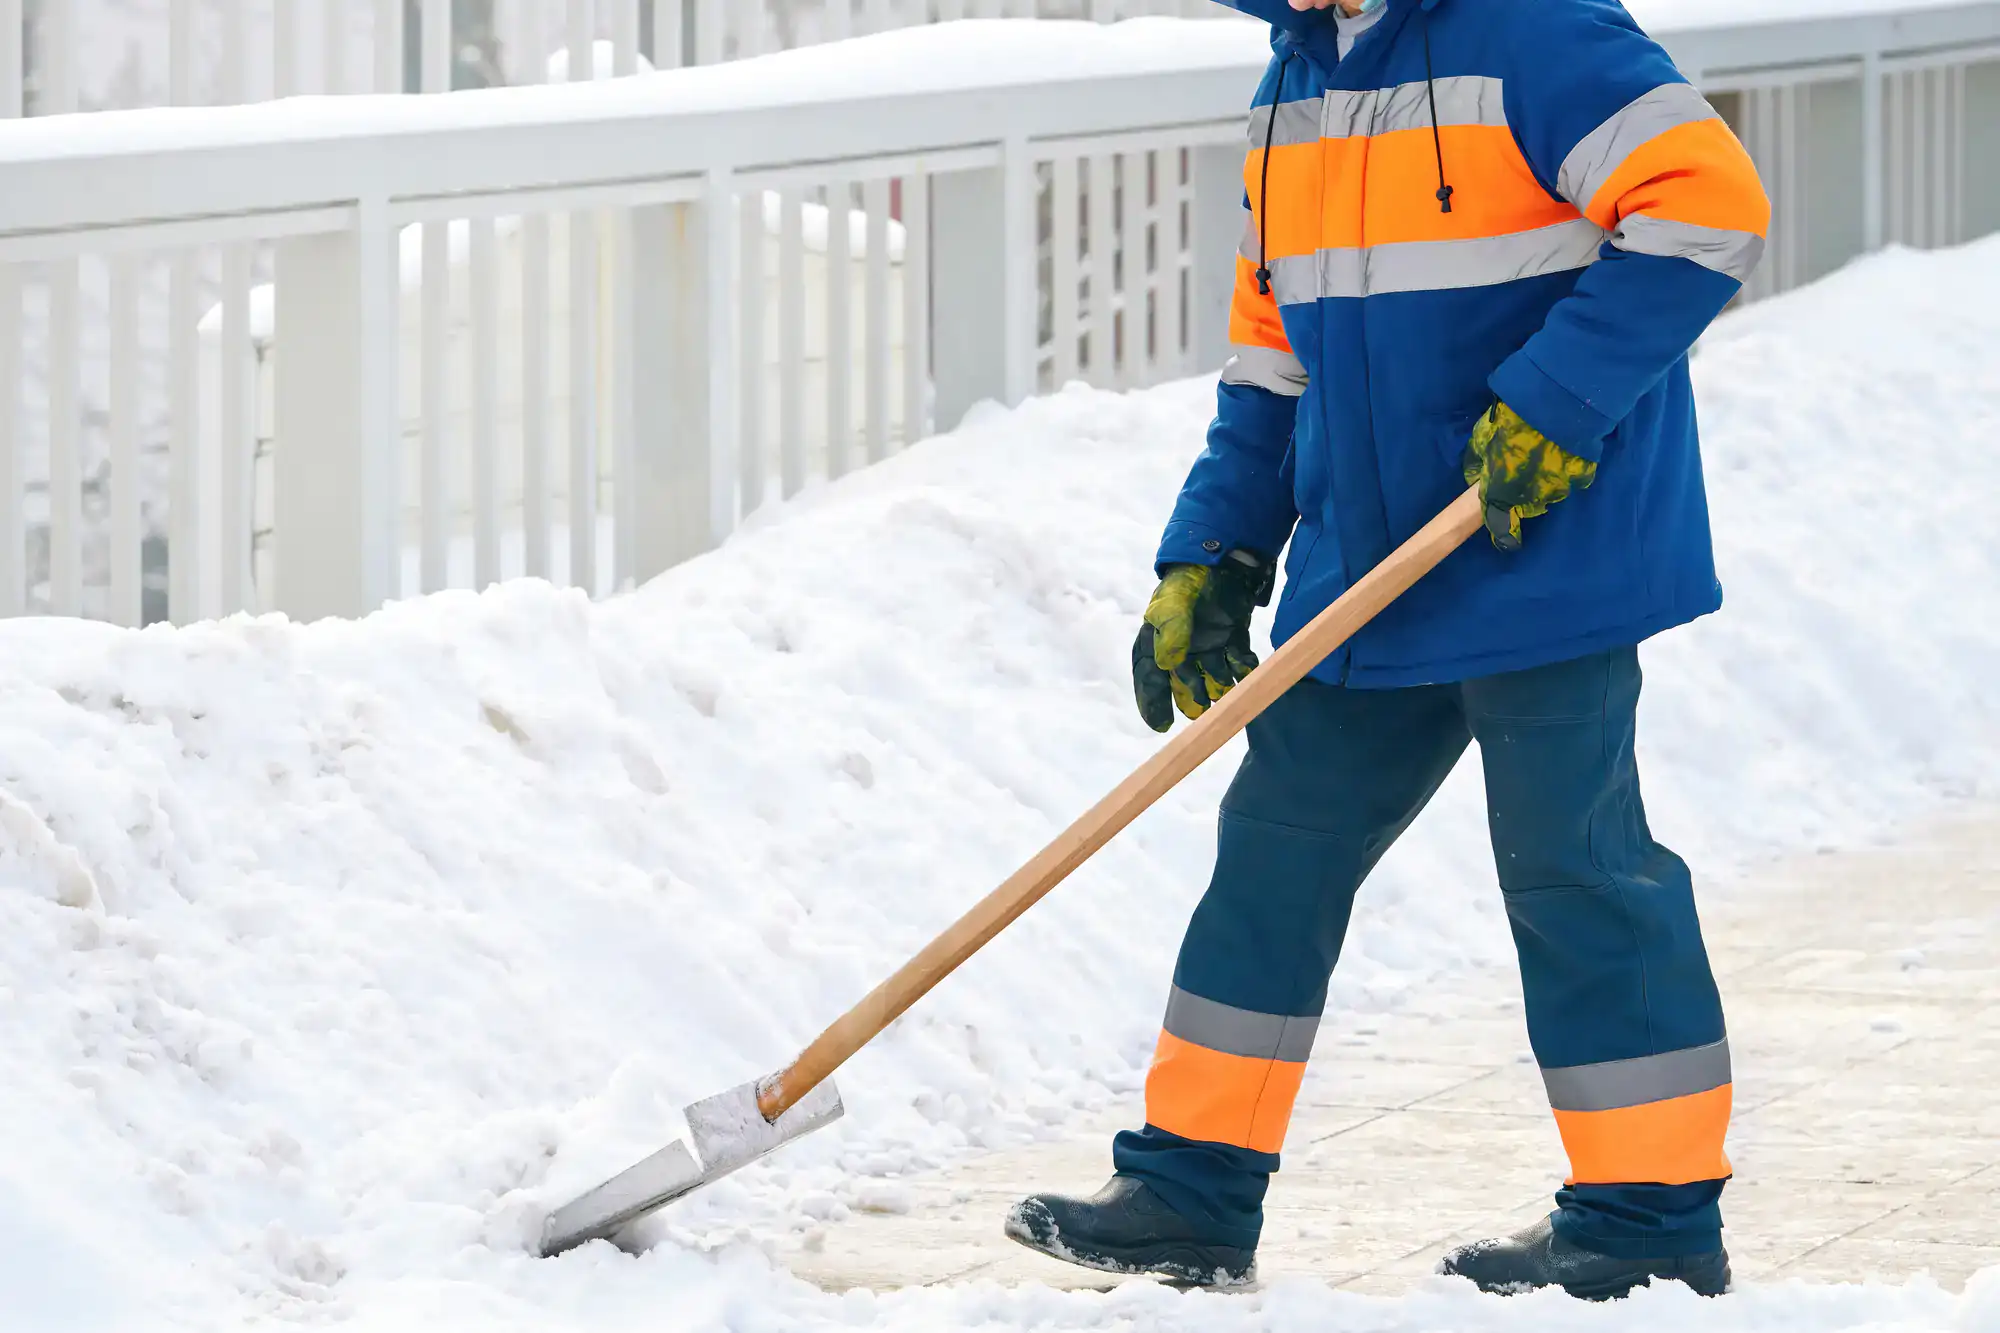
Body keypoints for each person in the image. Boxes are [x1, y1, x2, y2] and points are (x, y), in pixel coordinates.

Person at [1003, 0, 1769, 1301]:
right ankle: (1190, 1189)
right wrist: (1220, 549)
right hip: (1369, 572)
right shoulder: (1295, 88)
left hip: (1543, 552)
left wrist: (1556, 403)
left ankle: (1648, 1223)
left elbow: (1707, 207)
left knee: (1573, 871)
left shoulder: (1538, 31)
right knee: (1272, 860)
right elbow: (1273, 355)